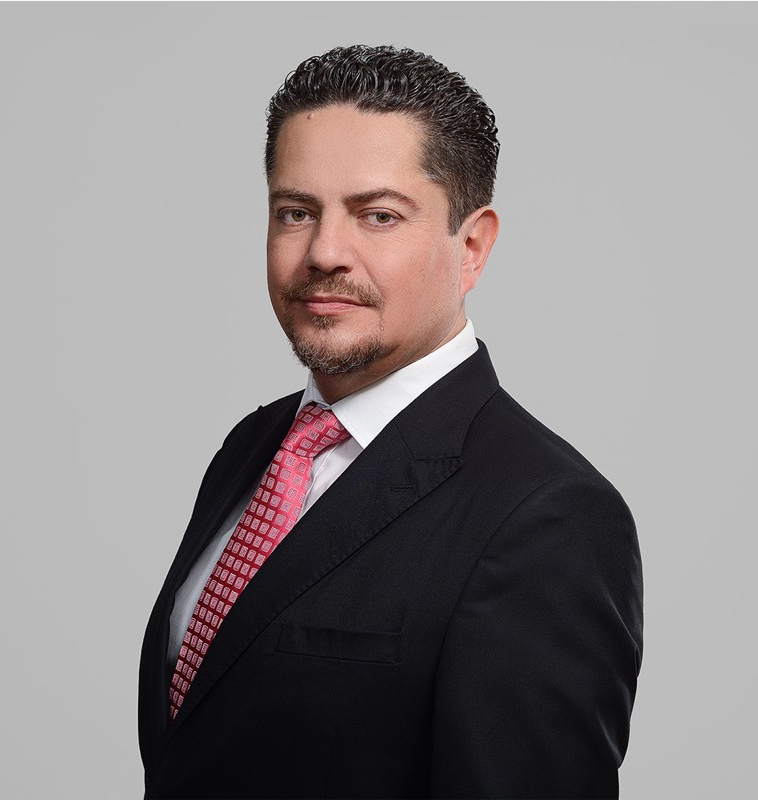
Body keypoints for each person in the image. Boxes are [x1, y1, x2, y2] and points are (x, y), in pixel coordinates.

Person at [138, 45, 643, 799]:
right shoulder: (254, 447)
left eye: (378, 216)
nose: (324, 253)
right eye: (295, 212)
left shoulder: (547, 517)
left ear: (472, 247)